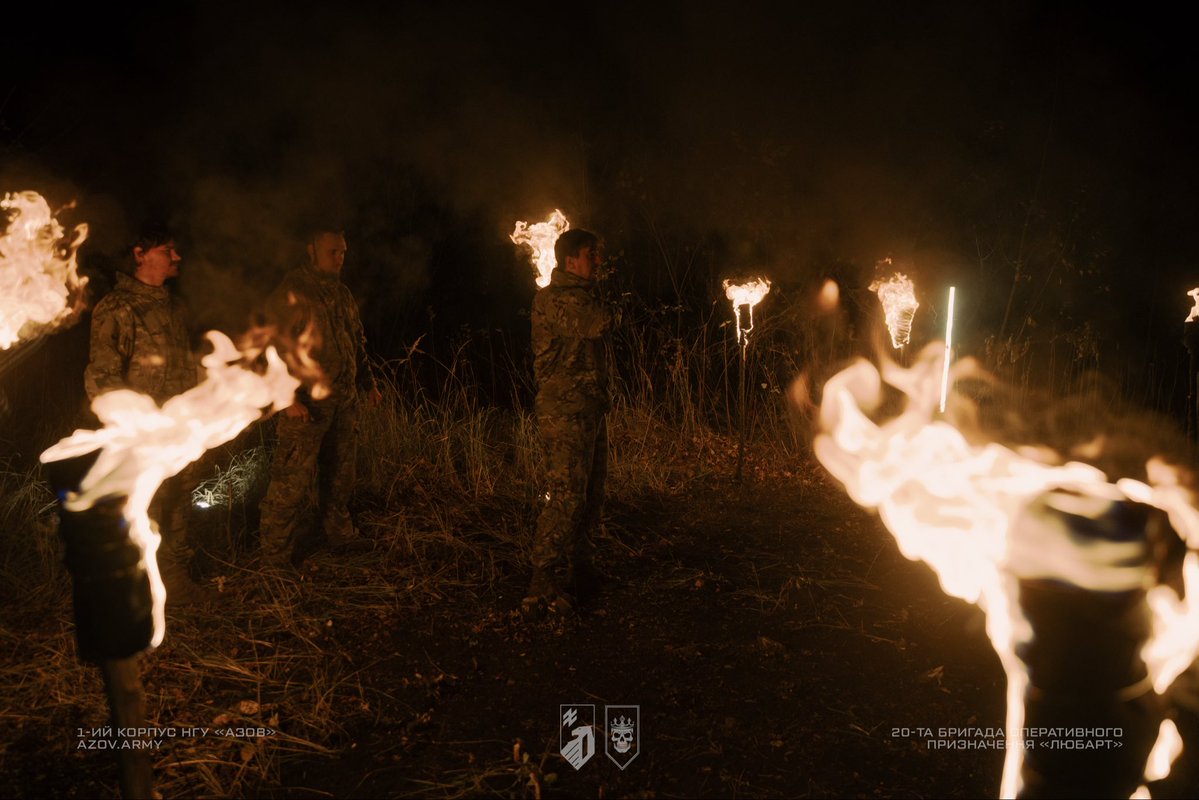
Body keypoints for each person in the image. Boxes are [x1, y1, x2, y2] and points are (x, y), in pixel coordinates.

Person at [83, 222, 208, 603]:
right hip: (140, 434)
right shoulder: (117, 308)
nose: (177, 257)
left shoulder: (174, 306)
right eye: (168, 250)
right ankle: (131, 594)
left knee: (176, 502)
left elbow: (187, 364)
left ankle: (175, 580)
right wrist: (128, 427)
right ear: (140, 254)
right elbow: (102, 377)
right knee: (140, 508)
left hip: (178, 428)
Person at [258, 225, 379, 569]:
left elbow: (357, 342)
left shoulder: (341, 294)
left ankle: (338, 533)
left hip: (343, 402)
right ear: (312, 250)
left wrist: (368, 383)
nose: (340, 258)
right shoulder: (293, 291)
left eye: (343, 252)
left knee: (341, 474)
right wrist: (286, 399)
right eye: (332, 252)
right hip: (305, 405)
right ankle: (274, 555)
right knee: (290, 482)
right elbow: (272, 347)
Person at [523, 228, 618, 619]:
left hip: (589, 407)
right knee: (565, 496)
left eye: (596, 254)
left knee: (591, 494)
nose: (596, 261)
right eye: (589, 255)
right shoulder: (555, 299)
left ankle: (582, 569)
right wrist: (616, 304)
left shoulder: (581, 295)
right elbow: (599, 323)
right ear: (569, 262)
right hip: (563, 413)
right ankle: (541, 580)